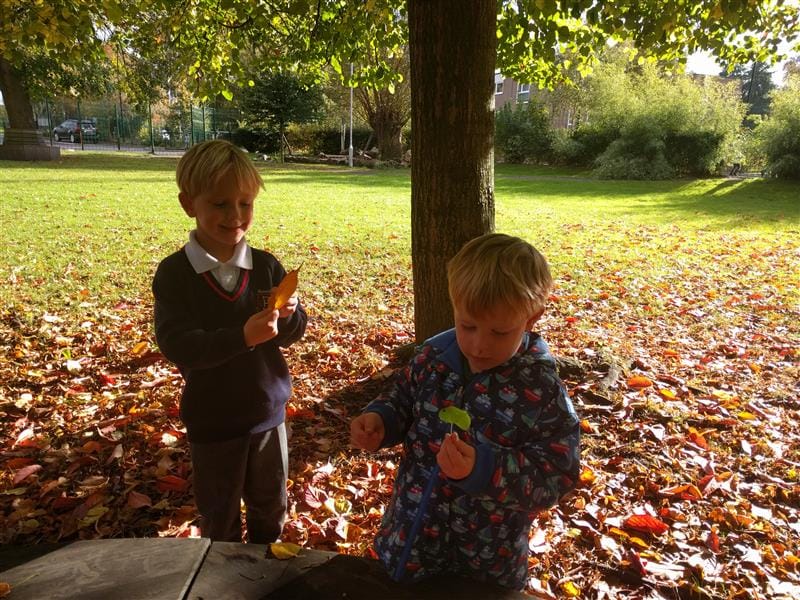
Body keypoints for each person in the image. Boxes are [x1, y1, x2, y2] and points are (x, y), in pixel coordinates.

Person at [350, 233, 580, 590]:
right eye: (467, 325)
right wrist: (381, 420)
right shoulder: (432, 358)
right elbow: (403, 397)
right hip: (413, 539)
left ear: (532, 318)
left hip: (487, 563)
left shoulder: (540, 389)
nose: (479, 345)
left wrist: (483, 469)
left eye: (499, 332)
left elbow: (556, 475)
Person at [152, 139, 307, 543]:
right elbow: (179, 344)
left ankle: (265, 578)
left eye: (245, 204)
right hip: (213, 422)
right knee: (219, 518)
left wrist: (290, 316)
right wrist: (242, 336)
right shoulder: (175, 274)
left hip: (268, 415)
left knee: (270, 508)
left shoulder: (266, 265)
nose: (234, 215)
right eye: (220, 204)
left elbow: (292, 334)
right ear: (189, 204)